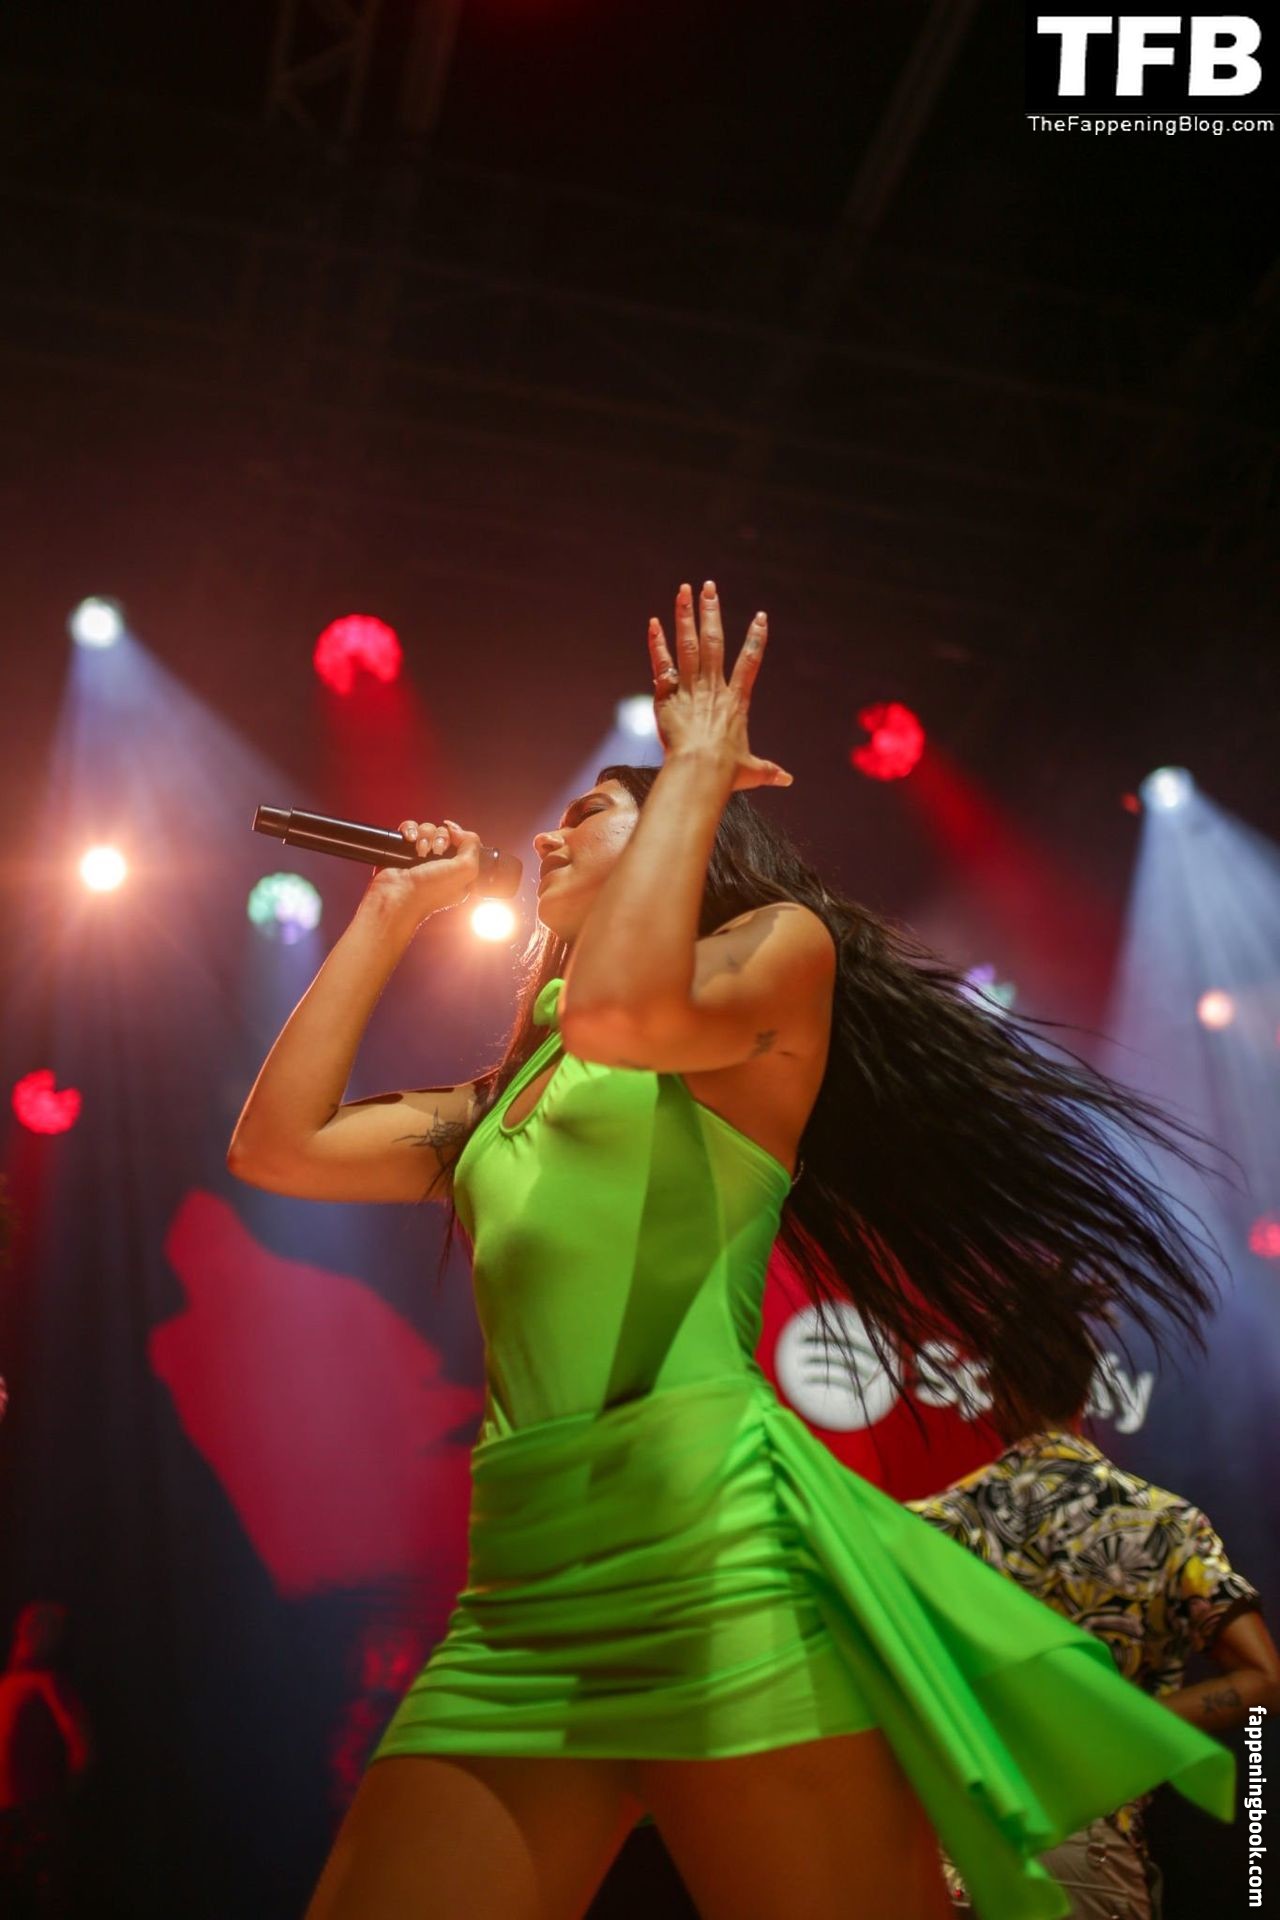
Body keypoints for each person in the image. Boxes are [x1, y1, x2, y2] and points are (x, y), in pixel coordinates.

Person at [230, 581, 1240, 1920]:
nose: (543, 835)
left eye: (588, 812)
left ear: (687, 839)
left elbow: (624, 1014)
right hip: (522, 1594)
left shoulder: (774, 955)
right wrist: (387, 915)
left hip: (714, 1566)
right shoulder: (503, 1095)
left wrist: (696, 767)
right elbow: (278, 1147)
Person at [909, 1369, 1280, 1918]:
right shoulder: (1165, 1521)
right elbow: (1264, 1680)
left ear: (998, 1395)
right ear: (1085, 1395)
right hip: (1089, 1852)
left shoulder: (932, 1527)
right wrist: (1116, 1726)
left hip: (953, 1850)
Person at [0, 1603, 93, 1920]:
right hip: (8, 1818)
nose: (32, 1633)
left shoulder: (48, 1682)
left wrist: (61, 1799)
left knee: (44, 1898)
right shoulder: (8, 1687)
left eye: (45, 1627)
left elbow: (82, 1746)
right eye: (31, 1626)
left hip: (36, 1815)